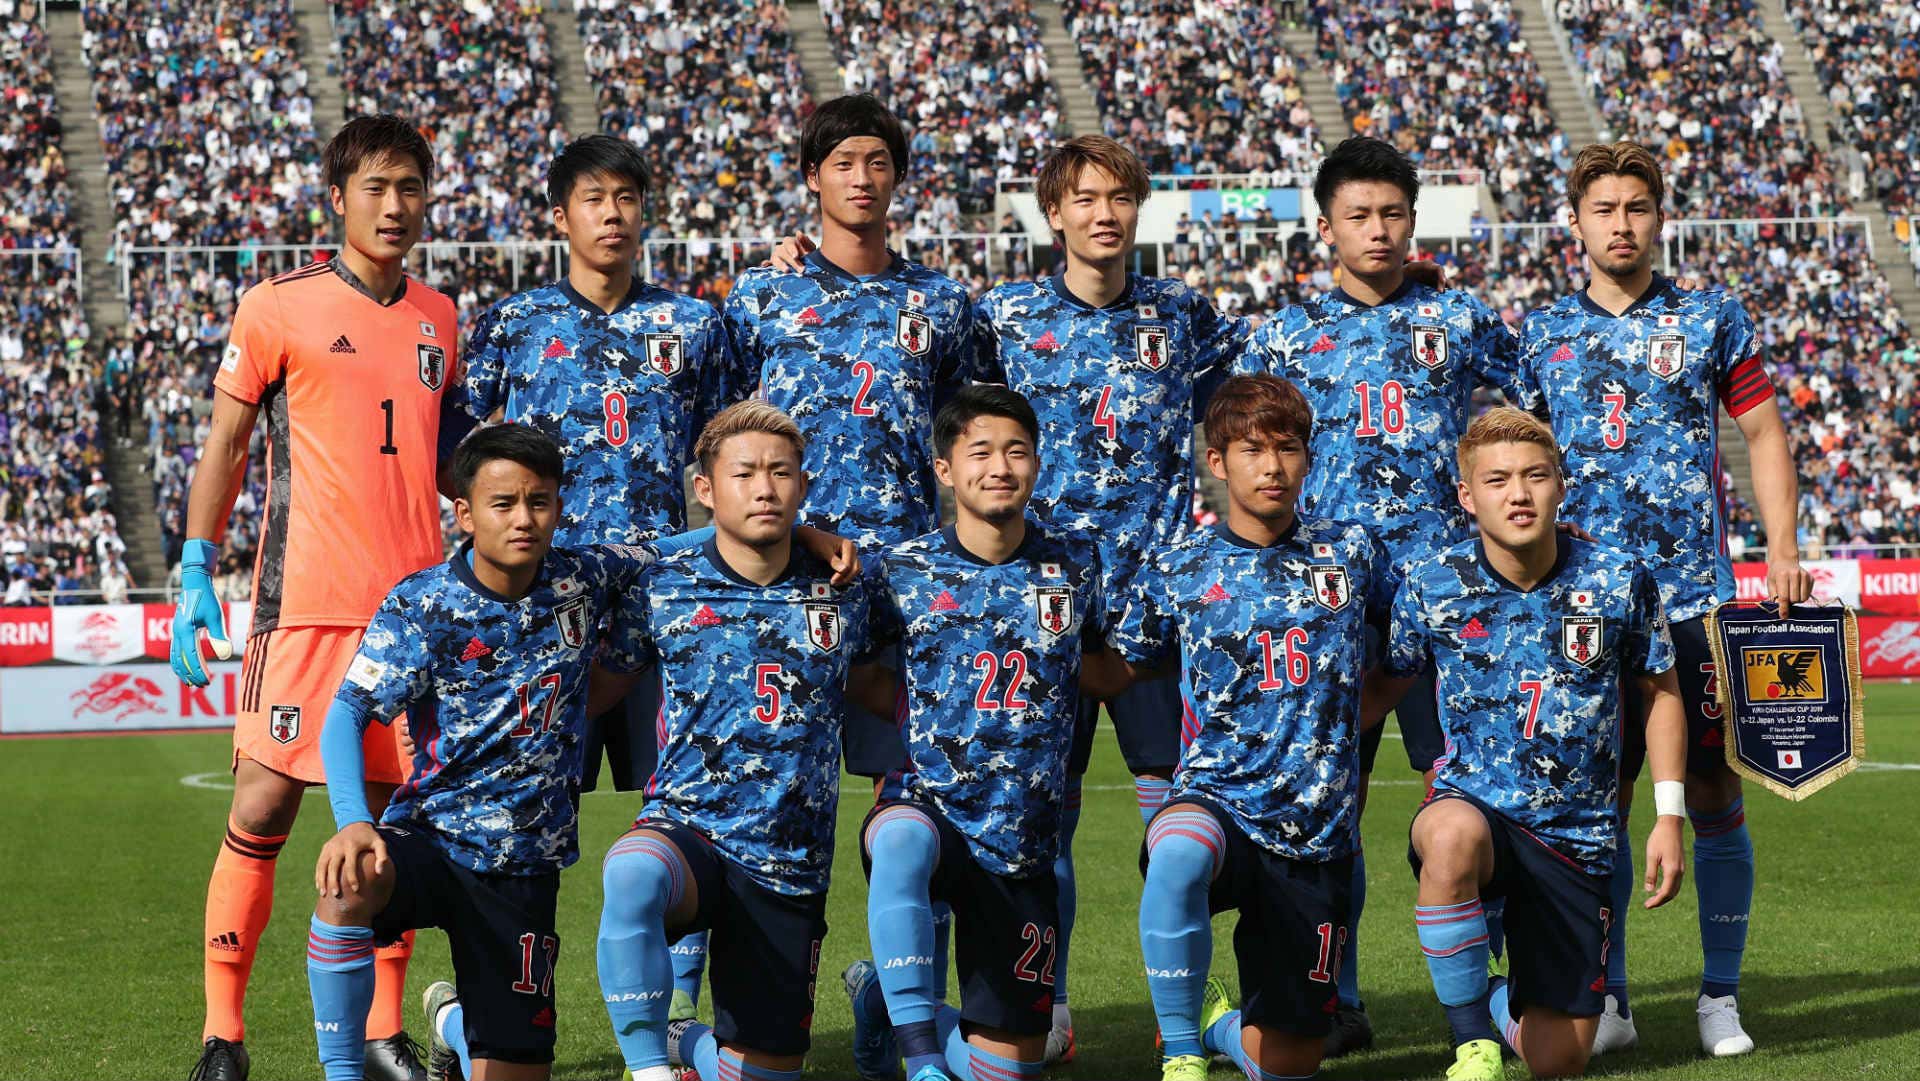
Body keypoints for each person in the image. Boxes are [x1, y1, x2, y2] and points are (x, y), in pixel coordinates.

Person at [171, 114, 463, 1081]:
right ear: (336, 197)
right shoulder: (277, 307)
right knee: (261, 806)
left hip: (415, 613)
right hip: (302, 609)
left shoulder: (441, 317)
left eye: (410, 187)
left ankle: (383, 1034)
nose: (394, 205)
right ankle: (224, 1034)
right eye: (375, 187)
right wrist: (195, 567)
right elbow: (226, 446)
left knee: (392, 819)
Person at [1515, 142, 1813, 1057]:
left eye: (1637, 206)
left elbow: (1762, 430)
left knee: (1717, 793)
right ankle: (1610, 998)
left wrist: (1783, 546)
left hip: (1695, 601)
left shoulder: (1713, 317)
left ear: (1659, 217)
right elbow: (1516, 459)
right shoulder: (1539, 334)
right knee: (1594, 806)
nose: (1620, 222)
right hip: (1582, 612)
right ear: (1575, 223)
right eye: (1602, 207)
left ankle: (1719, 996)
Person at [1232, 136, 1527, 1055]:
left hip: (1452, 607)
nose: (1378, 229)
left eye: (1393, 213)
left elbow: (1535, 411)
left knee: (1485, 797)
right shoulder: (1279, 337)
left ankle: (1499, 997)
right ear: (1325, 228)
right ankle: (1338, 991)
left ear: (1414, 222)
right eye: (1358, 214)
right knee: (1331, 811)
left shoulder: (1465, 318)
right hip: (1329, 610)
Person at [969, 136, 1251, 1061]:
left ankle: (1191, 1012)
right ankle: (1041, 1006)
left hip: (1159, 612)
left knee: (1182, 824)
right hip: (1036, 605)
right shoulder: (1000, 319)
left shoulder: (1186, 314)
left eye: (1120, 198)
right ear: (1053, 213)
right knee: (1038, 821)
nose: (1104, 213)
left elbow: (1237, 426)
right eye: (1085, 198)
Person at [462, 133, 747, 1023]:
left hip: (664, 609)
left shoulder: (695, 324)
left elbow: (731, 450)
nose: (613, 214)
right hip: (547, 616)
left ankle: (678, 1014)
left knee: (689, 812)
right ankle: (510, 1006)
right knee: (528, 829)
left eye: (627, 197)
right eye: (594, 198)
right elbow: (464, 458)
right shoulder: (514, 324)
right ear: (560, 215)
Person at [302, 424, 653, 1081]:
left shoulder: (586, 575)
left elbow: (684, 551)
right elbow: (347, 713)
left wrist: (807, 536)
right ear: (464, 511)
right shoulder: (423, 603)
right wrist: (354, 820)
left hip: (524, 866)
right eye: (503, 503)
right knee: (350, 878)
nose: (524, 518)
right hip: (430, 839)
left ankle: (451, 1024)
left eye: (540, 500)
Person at [1108, 375, 1397, 1081]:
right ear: (1216, 462)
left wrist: (1361, 708)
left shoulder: (1351, 551)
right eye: (1252, 449)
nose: (1272, 466)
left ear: (1309, 457)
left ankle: (1218, 1028)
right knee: (1176, 852)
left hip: (1314, 833)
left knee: (1287, 1064)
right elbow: (1124, 667)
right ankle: (1179, 1048)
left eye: (1289, 448)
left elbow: (1416, 640)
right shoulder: (1179, 565)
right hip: (1219, 802)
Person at [1385, 407, 1688, 1080]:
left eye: (1535, 475)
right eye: (1496, 480)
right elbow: (1382, 685)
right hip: (1477, 812)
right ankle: (1473, 1039)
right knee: (1449, 835)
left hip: (1577, 838)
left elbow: (1661, 692)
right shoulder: (1431, 583)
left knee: (1560, 1060)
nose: (1518, 493)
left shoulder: (1618, 579)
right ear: (1467, 496)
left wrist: (1668, 815)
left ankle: (1495, 998)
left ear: (1562, 484)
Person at [594, 400, 882, 1081]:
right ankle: (651, 1070)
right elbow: (597, 682)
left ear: (804, 487)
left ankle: (688, 1039)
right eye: (745, 472)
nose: (764, 487)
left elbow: (891, 681)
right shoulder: (658, 580)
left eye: (782, 472)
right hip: (686, 832)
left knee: (764, 1072)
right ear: (705, 489)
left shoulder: (848, 586)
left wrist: (816, 538)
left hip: (788, 858)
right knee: (631, 872)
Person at [842, 386, 1107, 1081]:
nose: (999, 466)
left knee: (1009, 1069)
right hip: (927, 807)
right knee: (899, 837)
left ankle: (879, 996)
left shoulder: (1077, 565)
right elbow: (857, 672)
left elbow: (1112, 664)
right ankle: (922, 1058)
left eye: (1016, 450)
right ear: (944, 469)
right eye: (980, 451)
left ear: (1038, 462)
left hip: (1022, 836)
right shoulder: (900, 569)